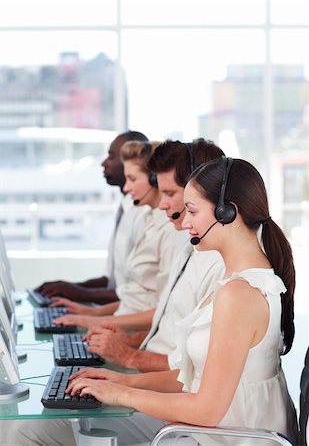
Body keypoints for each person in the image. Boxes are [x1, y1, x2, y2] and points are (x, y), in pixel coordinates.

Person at [9, 156, 298, 446]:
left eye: (192, 211)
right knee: (44, 428)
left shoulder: (239, 294)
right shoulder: (237, 281)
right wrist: (121, 381)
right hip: (205, 432)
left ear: (227, 213)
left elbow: (208, 410)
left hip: (220, 437)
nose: (185, 222)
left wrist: (122, 394)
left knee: (39, 431)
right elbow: (194, 379)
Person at [76, 139, 226, 372]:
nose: (163, 204)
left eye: (169, 193)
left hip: (163, 379)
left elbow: (197, 371)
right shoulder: (190, 248)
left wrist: (128, 360)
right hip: (151, 364)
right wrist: (128, 341)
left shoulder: (220, 265)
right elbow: (170, 328)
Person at [51, 140, 184, 329]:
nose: (126, 188)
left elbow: (164, 308)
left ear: (154, 179)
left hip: (136, 332)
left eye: (133, 179)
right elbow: (136, 297)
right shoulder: (148, 220)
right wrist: (91, 313)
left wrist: (92, 321)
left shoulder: (172, 229)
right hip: (122, 324)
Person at [35, 130, 149, 304]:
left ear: (131, 162)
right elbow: (112, 281)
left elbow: (137, 293)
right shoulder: (125, 208)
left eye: (111, 156)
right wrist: (69, 288)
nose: (104, 163)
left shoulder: (143, 215)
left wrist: (79, 294)